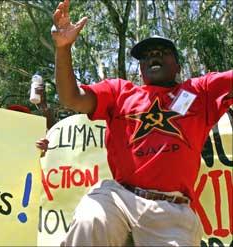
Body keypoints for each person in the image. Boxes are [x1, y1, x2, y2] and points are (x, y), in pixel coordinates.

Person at [51, 0, 233, 246]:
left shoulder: (200, 92)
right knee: (90, 219)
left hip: (171, 211)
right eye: (147, 55)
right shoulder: (119, 92)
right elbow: (71, 98)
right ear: (141, 68)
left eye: (162, 52)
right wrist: (63, 48)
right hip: (119, 197)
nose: (153, 56)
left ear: (177, 65)